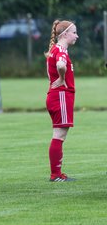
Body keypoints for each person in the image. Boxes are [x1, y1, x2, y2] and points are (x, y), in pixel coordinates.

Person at [45, 20, 78, 182]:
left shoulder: (54, 49)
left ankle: (57, 174)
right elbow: (61, 65)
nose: (76, 36)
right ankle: (56, 175)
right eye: (74, 32)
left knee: (59, 135)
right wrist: (62, 78)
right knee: (59, 136)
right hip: (61, 96)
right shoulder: (61, 50)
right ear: (64, 34)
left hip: (56, 96)